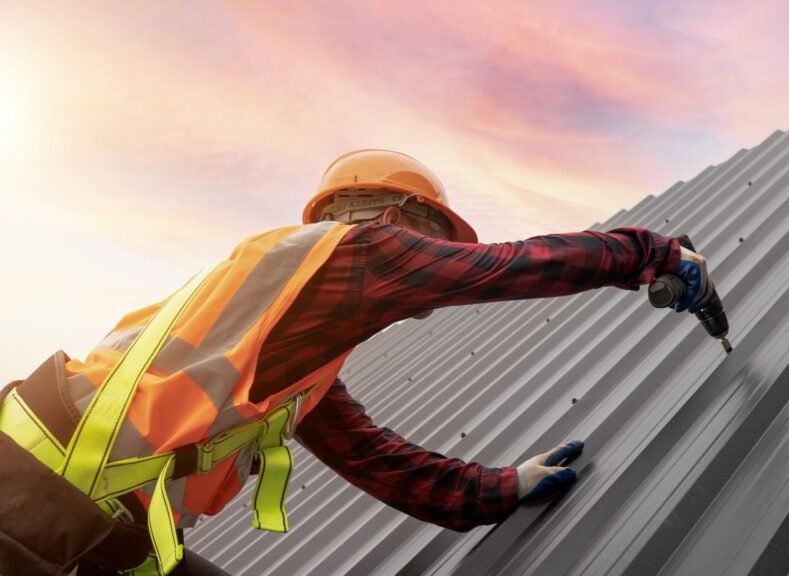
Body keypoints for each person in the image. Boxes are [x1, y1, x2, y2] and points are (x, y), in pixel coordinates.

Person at [0, 149, 713, 576]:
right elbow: (503, 268)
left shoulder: (282, 337)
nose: (437, 259)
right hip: (36, 508)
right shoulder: (352, 252)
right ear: (390, 217)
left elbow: (369, 456)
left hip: (72, 515)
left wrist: (493, 490)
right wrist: (650, 254)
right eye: (435, 236)